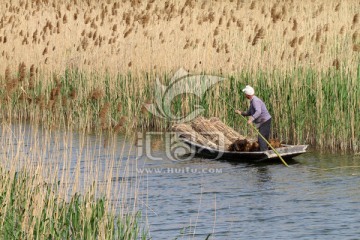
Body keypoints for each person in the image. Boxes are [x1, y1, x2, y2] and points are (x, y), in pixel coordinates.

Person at [235, 85, 272, 151]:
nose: (245, 95)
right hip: (264, 121)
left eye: (245, 94)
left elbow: (258, 111)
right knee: (264, 138)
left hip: (265, 121)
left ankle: (264, 152)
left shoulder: (255, 101)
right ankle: (265, 150)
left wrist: (251, 119)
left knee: (261, 138)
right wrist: (240, 113)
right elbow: (249, 112)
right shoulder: (252, 101)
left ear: (248, 95)